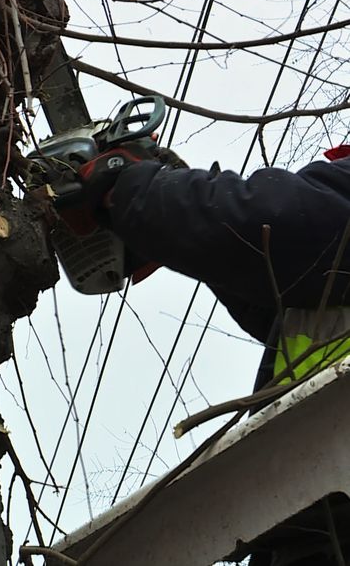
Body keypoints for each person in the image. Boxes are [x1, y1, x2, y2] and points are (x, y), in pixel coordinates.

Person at [63, 142, 350, 565]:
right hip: (318, 506)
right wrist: (170, 216)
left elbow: (279, 226)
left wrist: (130, 189)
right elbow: (280, 296)